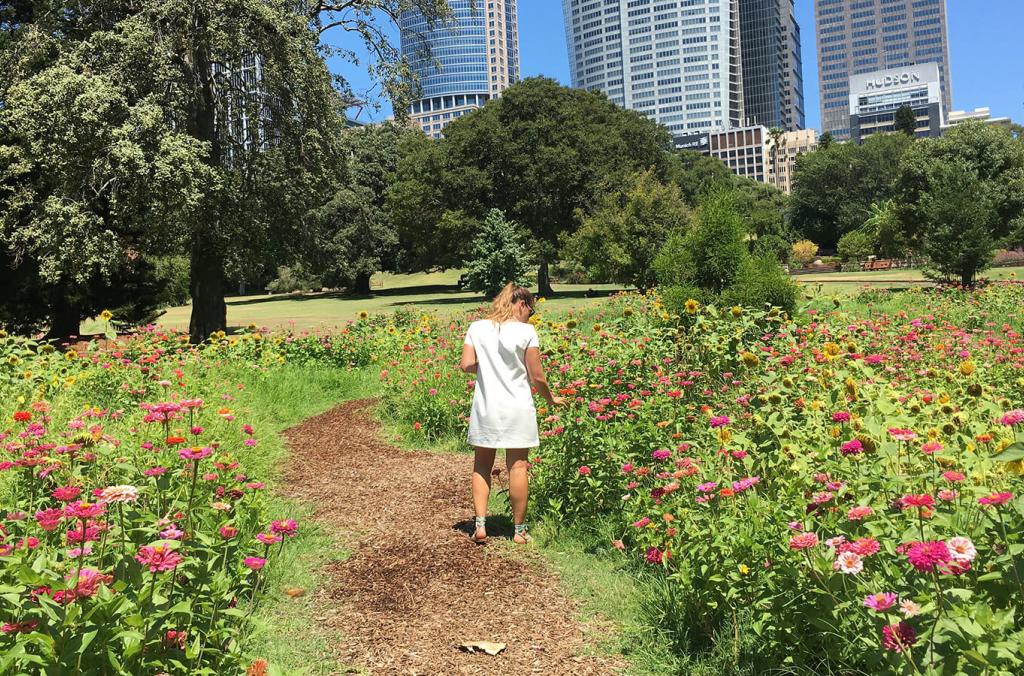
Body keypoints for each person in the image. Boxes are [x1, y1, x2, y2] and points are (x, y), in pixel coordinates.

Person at [458, 283, 564, 544]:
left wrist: (489, 367)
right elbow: (536, 376)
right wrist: (551, 399)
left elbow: (466, 364)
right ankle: (519, 531)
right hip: (517, 407)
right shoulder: (526, 331)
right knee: (517, 465)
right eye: (531, 309)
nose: (531, 315)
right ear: (521, 304)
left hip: (486, 406)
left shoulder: (477, 327)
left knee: (482, 464)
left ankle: (480, 525)